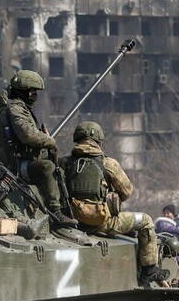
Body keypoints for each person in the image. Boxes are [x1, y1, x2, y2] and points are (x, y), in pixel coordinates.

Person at [63, 121, 169, 286]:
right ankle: (149, 270)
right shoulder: (108, 163)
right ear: (98, 140)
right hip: (103, 222)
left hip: (73, 222)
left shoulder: (65, 163)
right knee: (146, 220)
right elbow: (127, 191)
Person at [0, 70, 75, 226]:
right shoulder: (15, 109)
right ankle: (56, 211)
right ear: (23, 92)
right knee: (48, 167)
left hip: (13, 163)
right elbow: (27, 135)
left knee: (60, 164)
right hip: (15, 167)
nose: (35, 96)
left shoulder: (9, 108)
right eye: (33, 92)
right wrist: (49, 141)